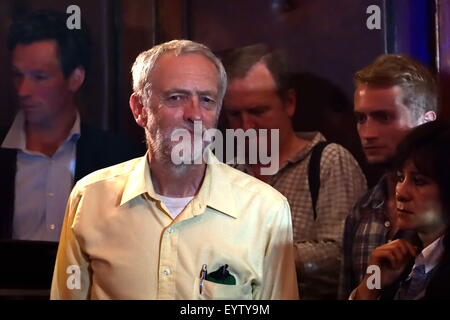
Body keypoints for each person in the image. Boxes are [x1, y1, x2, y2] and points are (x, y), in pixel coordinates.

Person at [50, 40, 299, 300]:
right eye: (176, 98)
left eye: (206, 100)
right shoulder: (89, 198)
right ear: (139, 109)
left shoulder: (265, 210)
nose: (195, 115)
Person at [222, 43, 367, 299]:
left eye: (257, 111)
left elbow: (343, 255)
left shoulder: (328, 162)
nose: (245, 127)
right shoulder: (225, 168)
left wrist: (262, 253)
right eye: (234, 115)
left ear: (289, 102)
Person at [0, 11, 144, 242]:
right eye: (18, 76)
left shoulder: (120, 157)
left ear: (75, 78)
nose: (23, 90)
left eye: (39, 77)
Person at [338, 54, 438, 299]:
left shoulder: (441, 208)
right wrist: (371, 284)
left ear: (426, 121)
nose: (368, 133)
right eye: (361, 118)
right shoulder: (362, 210)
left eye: (384, 117)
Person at [353, 120, 450, 300]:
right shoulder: (400, 251)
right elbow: (368, 290)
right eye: (400, 177)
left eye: (419, 181)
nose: (400, 192)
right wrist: (371, 282)